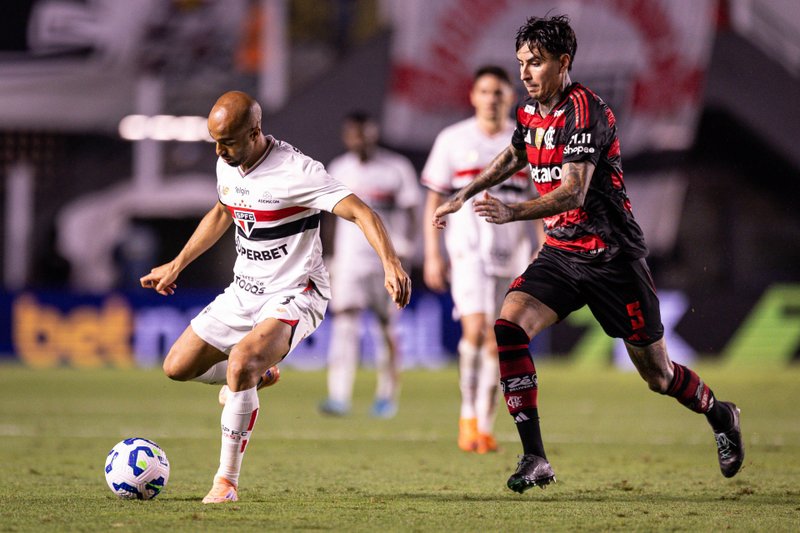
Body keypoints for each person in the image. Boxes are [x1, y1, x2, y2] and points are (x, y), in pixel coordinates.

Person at [432, 15, 744, 492]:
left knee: (658, 375)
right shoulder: (532, 112)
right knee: (508, 329)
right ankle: (534, 457)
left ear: (564, 62)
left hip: (612, 259)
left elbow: (573, 192)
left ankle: (721, 414)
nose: (526, 74)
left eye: (535, 63)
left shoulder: (587, 111)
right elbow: (517, 153)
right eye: (521, 64)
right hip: (561, 255)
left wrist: (512, 212)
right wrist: (465, 192)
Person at [140, 91, 411, 504]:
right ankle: (252, 379)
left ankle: (225, 482)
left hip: (295, 292)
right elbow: (221, 211)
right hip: (243, 290)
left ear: (255, 132)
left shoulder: (299, 171)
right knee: (176, 367)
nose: (219, 150)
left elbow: (362, 212)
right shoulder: (227, 162)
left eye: (227, 141)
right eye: (215, 141)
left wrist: (390, 262)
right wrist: (176, 264)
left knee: (241, 361)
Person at [422, 66, 544, 454]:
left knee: (499, 340)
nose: (491, 98)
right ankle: (468, 415)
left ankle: (486, 424)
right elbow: (434, 200)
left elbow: (540, 198)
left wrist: (544, 242)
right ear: (473, 96)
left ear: (511, 98)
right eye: (485, 91)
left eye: (499, 92)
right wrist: (432, 254)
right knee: (475, 331)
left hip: (514, 253)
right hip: (467, 251)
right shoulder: (453, 140)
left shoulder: (525, 140)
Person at [320, 111, 420, 418]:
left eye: (364, 133)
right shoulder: (338, 168)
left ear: (373, 134)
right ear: (346, 136)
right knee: (345, 325)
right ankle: (338, 395)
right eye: (353, 133)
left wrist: (406, 249)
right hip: (349, 261)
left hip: (384, 262)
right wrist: (331, 256)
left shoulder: (396, 168)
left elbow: (411, 211)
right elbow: (329, 218)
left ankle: (386, 396)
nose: (359, 139)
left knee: (386, 328)